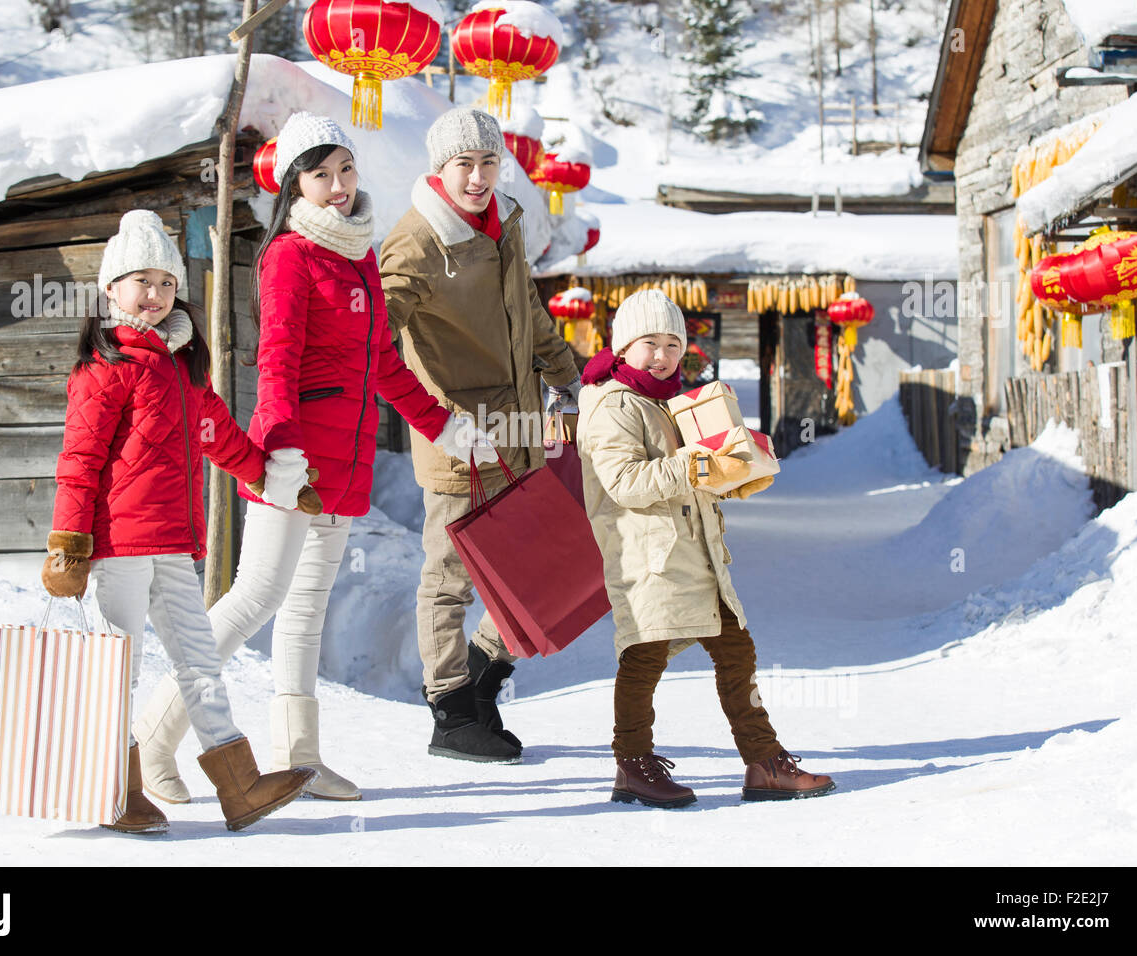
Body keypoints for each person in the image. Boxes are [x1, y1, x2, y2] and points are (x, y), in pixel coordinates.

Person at [134, 113, 493, 802]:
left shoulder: (360, 253)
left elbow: (385, 364)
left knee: (306, 611)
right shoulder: (290, 256)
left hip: (346, 464)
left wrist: (442, 426)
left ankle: (300, 758)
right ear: (295, 184)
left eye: (345, 171)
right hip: (292, 466)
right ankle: (153, 739)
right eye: (320, 174)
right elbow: (276, 363)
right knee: (253, 599)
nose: (336, 186)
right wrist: (279, 450)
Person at [41, 209, 317, 833]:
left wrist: (270, 478)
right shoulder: (104, 368)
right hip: (118, 547)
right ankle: (112, 788)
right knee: (120, 666)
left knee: (200, 660)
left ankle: (239, 786)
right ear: (112, 289)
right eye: (142, 281)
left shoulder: (182, 363)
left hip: (173, 547)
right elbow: (78, 461)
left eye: (167, 283)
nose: (156, 295)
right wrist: (68, 544)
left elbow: (219, 433)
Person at [576, 290, 836, 808]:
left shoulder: (669, 403)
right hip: (648, 559)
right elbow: (625, 483)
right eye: (649, 342)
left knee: (737, 650)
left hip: (698, 556)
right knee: (644, 656)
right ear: (623, 347)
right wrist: (698, 465)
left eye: (673, 343)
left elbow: (692, 475)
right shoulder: (611, 404)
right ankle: (632, 764)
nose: (663, 354)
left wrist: (733, 475)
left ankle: (764, 764)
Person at [380, 108, 582, 763]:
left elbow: (526, 309)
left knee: (535, 567)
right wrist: (438, 418)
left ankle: (484, 678)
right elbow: (374, 341)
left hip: (519, 427)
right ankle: (449, 710)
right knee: (449, 578)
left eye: (487, 161)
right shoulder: (415, 242)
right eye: (463, 163)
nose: (476, 175)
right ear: (437, 168)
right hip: (460, 441)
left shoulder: (504, 221)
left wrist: (567, 375)